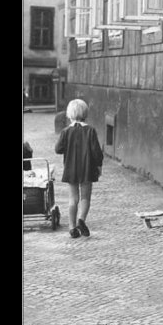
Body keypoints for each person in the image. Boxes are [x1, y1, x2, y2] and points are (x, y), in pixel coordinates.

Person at [55, 99, 104, 238]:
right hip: (87, 169)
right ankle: (81, 220)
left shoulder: (66, 131)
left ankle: (72, 227)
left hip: (71, 169)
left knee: (73, 199)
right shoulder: (90, 130)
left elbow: (58, 149)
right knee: (86, 198)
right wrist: (99, 167)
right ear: (85, 113)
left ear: (69, 114)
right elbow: (97, 152)